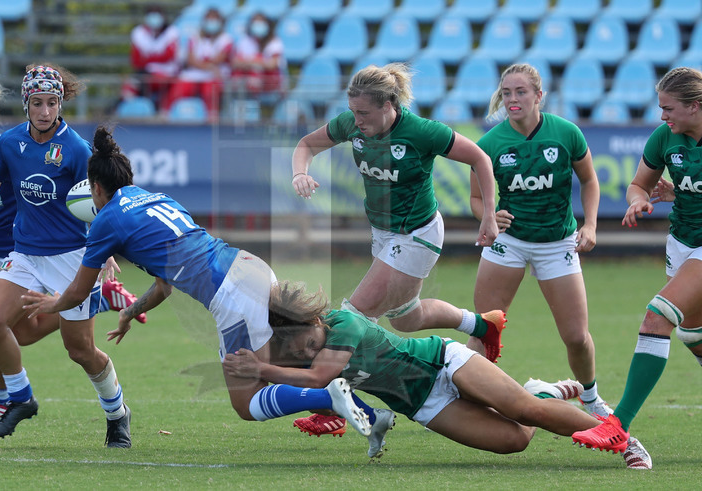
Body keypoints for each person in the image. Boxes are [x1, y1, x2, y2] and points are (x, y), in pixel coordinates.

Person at [20, 126, 381, 438]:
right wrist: (131, 310)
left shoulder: (106, 220)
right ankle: (372, 411)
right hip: (249, 266)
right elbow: (165, 285)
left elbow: (80, 291)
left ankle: (328, 397)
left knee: (246, 400)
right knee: (285, 356)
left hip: (231, 296)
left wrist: (50, 304)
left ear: (96, 188)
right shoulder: (154, 198)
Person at [290, 63, 506, 436]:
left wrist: (488, 215)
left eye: (364, 113)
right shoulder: (351, 123)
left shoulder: (422, 132)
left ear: (389, 104)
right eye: (353, 112)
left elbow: (480, 159)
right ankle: (483, 325)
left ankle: (338, 407)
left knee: (352, 317)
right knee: (406, 318)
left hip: (416, 235)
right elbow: (306, 145)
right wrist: (300, 172)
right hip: (384, 233)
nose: (356, 121)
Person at [223, 280, 651, 468]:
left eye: (310, 342)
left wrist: (260, 368)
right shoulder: (296, 348)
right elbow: (317, 382)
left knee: (523, 412)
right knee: (515, 440)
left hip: (442, 362)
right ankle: (542, 391)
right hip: (424, 403)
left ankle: (623, 438)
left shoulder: (343, 324)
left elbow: (320, 379)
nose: (307, 351)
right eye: (299, 351)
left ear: (314, 320)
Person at [0, 73, 147, 419]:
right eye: (38, 103)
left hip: (72, 258)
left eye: (52, 103)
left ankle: (116, 411)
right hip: (25, 255)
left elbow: (101, 203)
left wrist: (106, 248)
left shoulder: (77, 150)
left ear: (60, 104)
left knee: (79, 350)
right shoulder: (10, 144)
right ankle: (20, 398)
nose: (45, 111)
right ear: (26, 105)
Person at [572, 67, 702, 470]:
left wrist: (677, 191)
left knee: (658, 316)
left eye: (669, 109)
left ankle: (618, 424)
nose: (663, 116)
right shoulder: (666, 137)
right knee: (692, 334)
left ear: (695, 106)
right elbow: (639, 184)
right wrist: (640, 198)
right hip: (682, 241)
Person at [467, 63, 612, 418]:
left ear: (539, 96)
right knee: (485, 329)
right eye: (507, 93)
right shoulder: (489, 144)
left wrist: (590, 225)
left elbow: (590, 182)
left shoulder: (566, 133)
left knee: (577, 336)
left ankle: (590, 397)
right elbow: (475, 199)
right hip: (509, 243)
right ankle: (462, 399)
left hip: (558, 243)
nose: (512, 99)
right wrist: (488, 217)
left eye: (521, 92)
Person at [162, 7, 232, 119]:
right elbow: (190, 60)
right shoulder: (194, 37)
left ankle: (212, 116)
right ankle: (166, 114)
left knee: (210, 90)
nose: (211, 23)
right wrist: (209, 66)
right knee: (180, 88)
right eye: (209, 19)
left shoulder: (226, 39)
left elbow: (219, 59)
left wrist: (201, 64)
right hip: (194, 74)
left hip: (214, 76)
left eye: (214, 20)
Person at [122, 4, 180, 108]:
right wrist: (154, 58)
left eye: (157, 15)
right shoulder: (138, 32)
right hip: (146, 73)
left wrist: (148, 59)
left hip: (167, 73)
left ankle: (159, 110)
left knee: (148, 80)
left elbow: (168, 57)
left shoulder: (172, 32)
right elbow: (135, 60)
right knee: (130, 84)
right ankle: (128, 109)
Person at [230, 11, 286, 102]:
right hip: (247, 81)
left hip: (268, 82)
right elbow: (235, 62)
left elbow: (272, 65)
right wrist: (257, 62)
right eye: (256, 23)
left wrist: (252, 61)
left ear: (267, 25)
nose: (258, 26)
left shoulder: (275, 42)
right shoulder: (245, 41)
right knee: (242, 75)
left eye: (261, 23)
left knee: (257, 74)